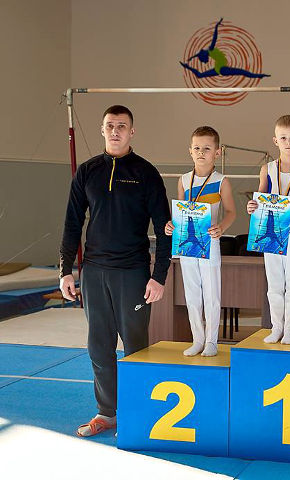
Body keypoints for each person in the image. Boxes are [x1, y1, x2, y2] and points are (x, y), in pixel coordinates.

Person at [59, 105, 171, 437]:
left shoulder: (146, 172)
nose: (115, 131)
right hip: (94, 272)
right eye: (110, 125)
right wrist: (66, 270)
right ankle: (106, 413)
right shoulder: (87, 171)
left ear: (131, 132)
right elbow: (72, 223)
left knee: (136, 347)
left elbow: (164, 227)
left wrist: (159, 275)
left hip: (133, 272)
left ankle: (137, 415)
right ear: (102, 129)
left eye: (122, 126)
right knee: (99, 346)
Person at [246, 115, 290, 344]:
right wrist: (252, 206)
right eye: (284, 138)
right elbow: (260, 196)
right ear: (275, 140)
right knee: (274, 283)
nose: (289, 142)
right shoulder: (267, 169)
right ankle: (276, 327)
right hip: (270, 225)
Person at [164, 126, 236, 356]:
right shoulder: (184, 180)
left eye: (206, 148)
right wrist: (171, 225)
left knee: (211, 293)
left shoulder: (221, 181)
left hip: (210, 241)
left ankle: (212, 341)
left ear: (217, 152)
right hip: (187, 243)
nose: (201, 152)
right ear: (190, 151)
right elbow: (180, 212)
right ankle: (197, 339)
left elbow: (231, 212)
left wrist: (221, 227)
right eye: (197, 148)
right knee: (192, 293)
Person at [180, 17, 270, 79]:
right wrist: (216, 27)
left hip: (217, 69)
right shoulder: (210, 49)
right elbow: (214, 38)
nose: (206, 60)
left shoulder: (208, 50)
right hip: (222, 69)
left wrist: (191, 59)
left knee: (200, 75)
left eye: (205, 60)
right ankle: (258, 75)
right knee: (243, 72)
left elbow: (199, 54)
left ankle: (187, 67)